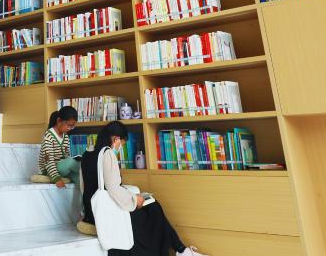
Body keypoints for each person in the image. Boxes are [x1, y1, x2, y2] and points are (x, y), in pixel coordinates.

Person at [80, 121, 207, 256]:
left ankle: (181, 249)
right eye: (122, 144)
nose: (120, 147)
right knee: (154, 208)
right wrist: (135, 201)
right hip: (107, 213)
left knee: (152, 207)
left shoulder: (86, 155)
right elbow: (113, 188)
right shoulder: (107, 153)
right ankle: (181, 250)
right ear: (115, 139)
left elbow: (84, 187)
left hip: (91, 213)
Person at [34, 106, 79, 187]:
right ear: (59, 121)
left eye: (72, 126)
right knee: (72, 162)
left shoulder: (65, 137)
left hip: (62, 169)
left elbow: (66, 156)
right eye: (68, 125)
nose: (69, 128)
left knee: (80, 178)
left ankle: (86, 195)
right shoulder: (49, 136)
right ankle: (86, 168)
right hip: (49, 170)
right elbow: (48, 161)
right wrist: (56, 178)